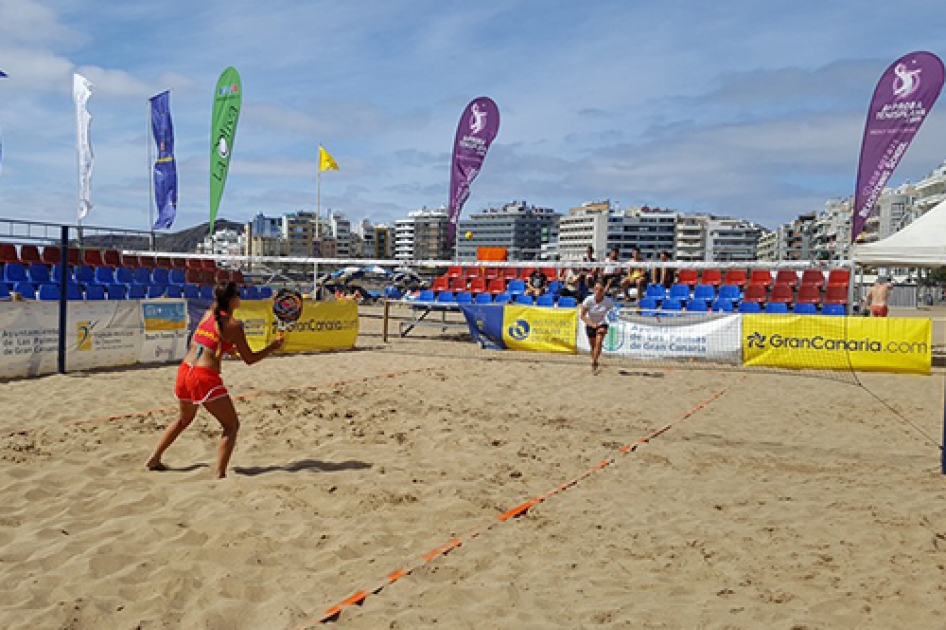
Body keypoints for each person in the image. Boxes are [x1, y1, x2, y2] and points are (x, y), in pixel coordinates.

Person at [145, 281, 284, 479]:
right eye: (238, 295)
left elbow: (204, 342)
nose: (241, 298)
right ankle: (220, 475)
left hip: (185, 371)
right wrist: (273, 347)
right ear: (232, 300)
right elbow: (250, 359)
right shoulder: (233, 325)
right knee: (231, 426)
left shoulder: (209, 313)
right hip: (204, 377)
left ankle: (154, 457)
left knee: (183, 419)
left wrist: (226, 349)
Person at [580, 278, 615, 375]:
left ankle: (594, 362)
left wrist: (607, 321)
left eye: (600, 290)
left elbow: (613, 314)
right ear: (594, 290)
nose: (598, 292)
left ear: (603, 290)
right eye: (596, 289)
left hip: (603, 323)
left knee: (599, 342)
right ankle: (595, 359)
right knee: (593, 346)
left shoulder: (608, 301)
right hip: (591, 323)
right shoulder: (588, 300)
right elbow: (582, 315)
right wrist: (591, 324)